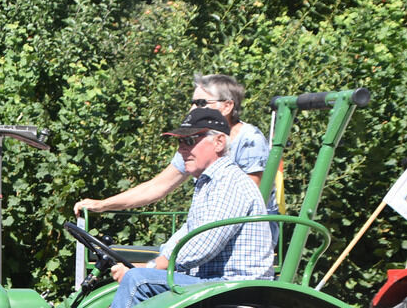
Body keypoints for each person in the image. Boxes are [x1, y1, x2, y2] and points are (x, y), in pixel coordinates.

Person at [54, 108, 274, 308]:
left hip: (232, 287)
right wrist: (150, 265)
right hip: (214, 282)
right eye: (180, 142)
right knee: (136, 280)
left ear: (219, 142)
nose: (182, 149)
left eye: (191, 141)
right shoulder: (208, 184)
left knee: (138, 282)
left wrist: (145, 271)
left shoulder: (229, 183)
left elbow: (201, 246)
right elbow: (183, 236)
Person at [72, 74, 269, 217]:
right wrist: (104, 205)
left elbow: (249, 196)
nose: (192, 108)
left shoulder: (249, 138)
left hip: (245, 228)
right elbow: (158, 186)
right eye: (192, 102)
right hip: (212, 221)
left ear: (227, 106)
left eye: (201, 103)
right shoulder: (197, 141)